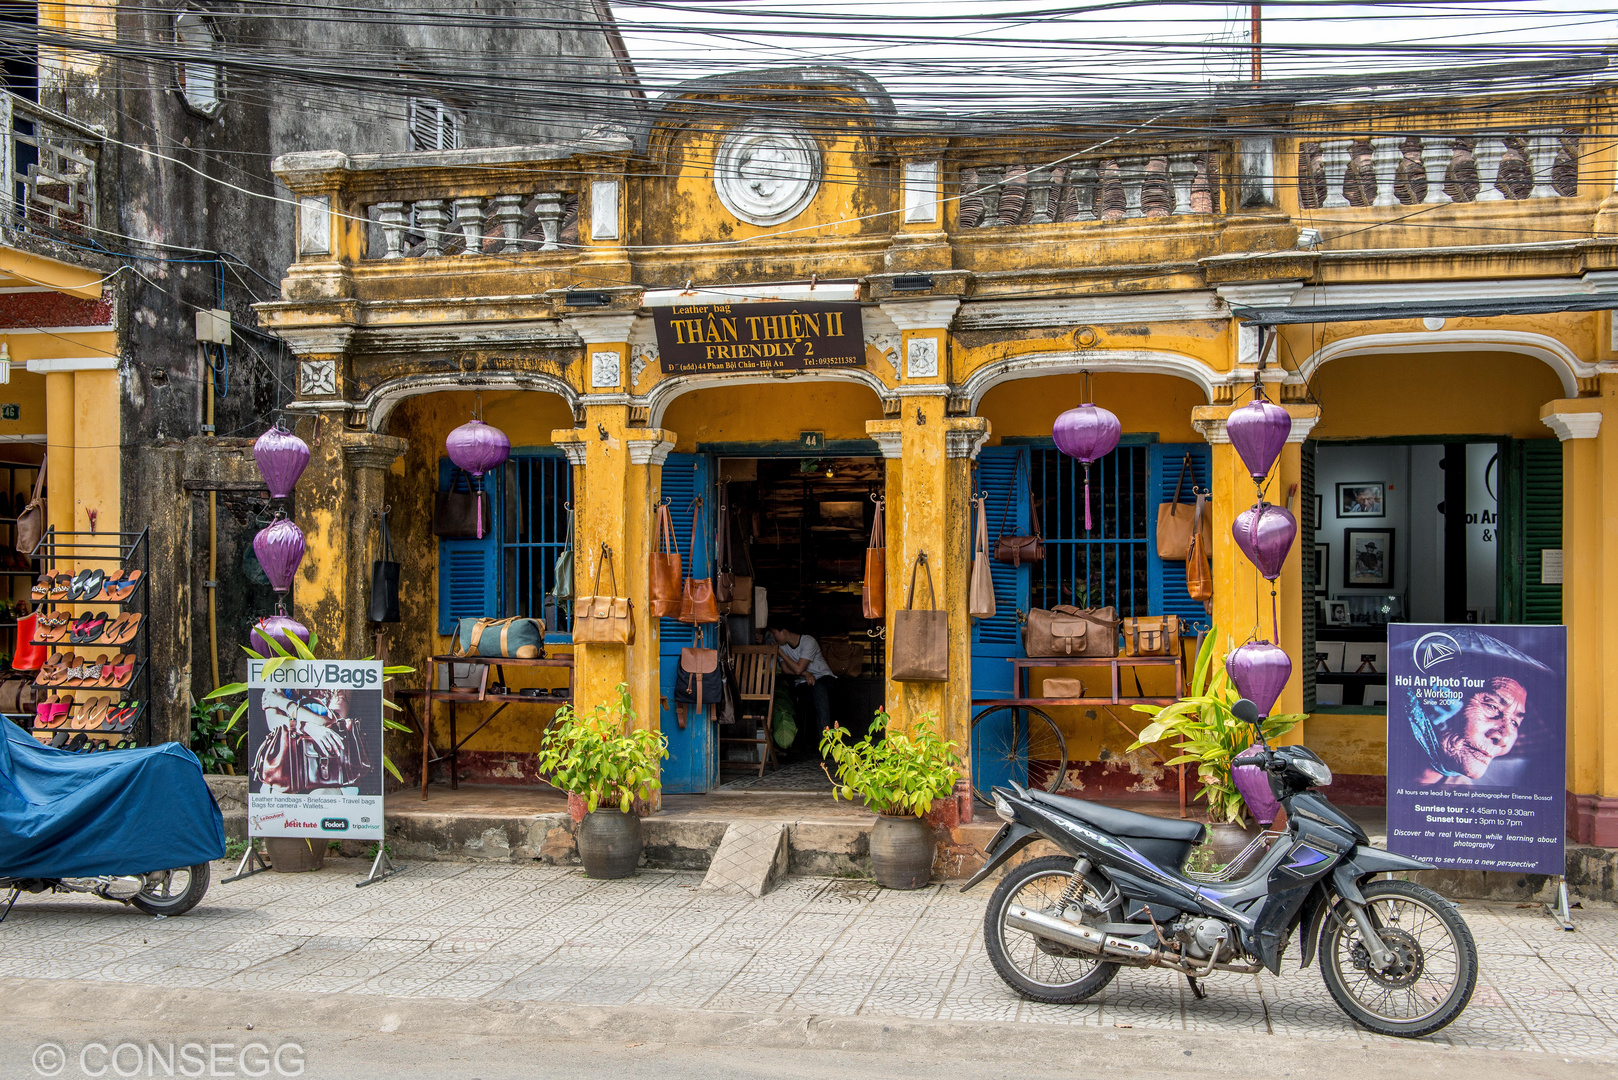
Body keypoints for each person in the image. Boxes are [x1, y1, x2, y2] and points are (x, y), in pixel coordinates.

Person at [1405, 630, 1545, 787]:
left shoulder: (1464, 800)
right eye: (1492, 706)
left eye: (1514, 722)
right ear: (1439, 697)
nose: (1504, 739)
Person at [768, 625, 835, 746]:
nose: (773, 636)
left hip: (824, 678)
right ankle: (826, 740)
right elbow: (786, 669)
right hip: (803, 683)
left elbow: (798, 669)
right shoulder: (781, 647)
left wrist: (781, 654)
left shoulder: (808, 641)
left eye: (774, 632)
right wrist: (807, 674)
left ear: (783, 630)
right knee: (816, 694)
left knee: (819, 688)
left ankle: (826, 740)